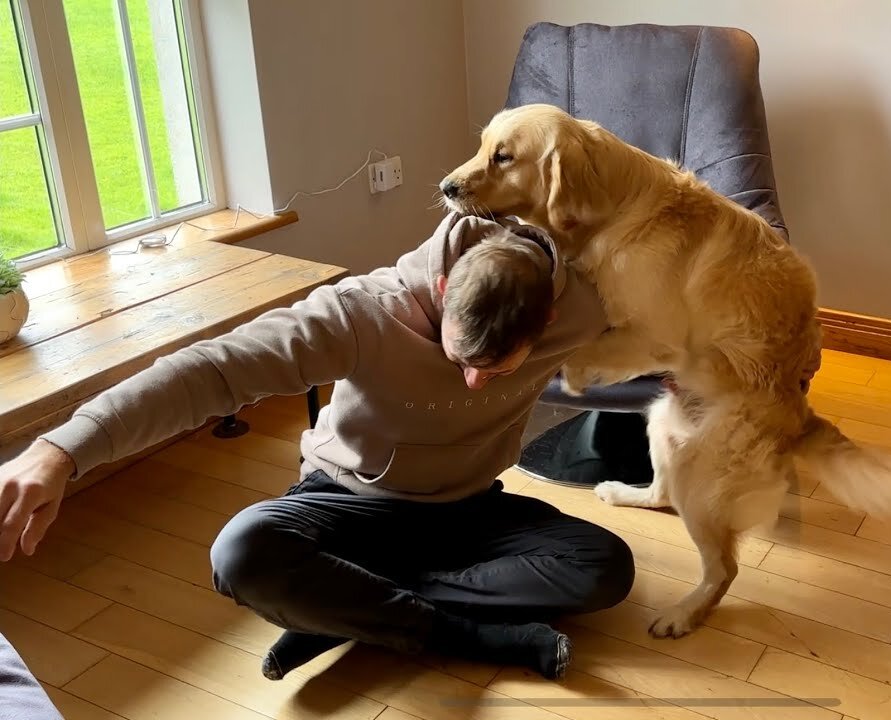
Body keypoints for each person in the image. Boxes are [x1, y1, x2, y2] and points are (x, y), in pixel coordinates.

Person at [0, 211, 635, 681]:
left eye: (495, 372)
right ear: (444, 293)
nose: (473, 383)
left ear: (550, 323)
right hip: (349, 502)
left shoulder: (581, 306)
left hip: (469, 506)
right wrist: (63, 448)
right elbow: (211, 370)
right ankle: (465, 633)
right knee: (243, 552)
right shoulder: (360, 313)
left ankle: (345, 611)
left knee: (603, 565)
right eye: (462, 359)